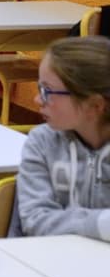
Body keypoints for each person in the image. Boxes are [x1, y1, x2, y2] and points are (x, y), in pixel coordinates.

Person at [13, 35, 110, 240]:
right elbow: (36, 221)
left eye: (47, 90)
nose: (37, 99)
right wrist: (100, 223)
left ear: (94, 105)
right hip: (41, 263)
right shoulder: (41, 143)